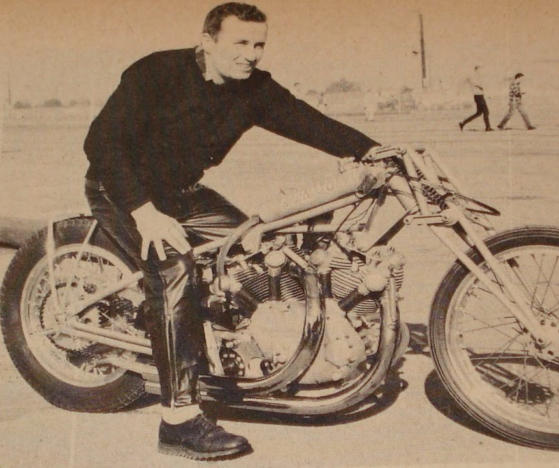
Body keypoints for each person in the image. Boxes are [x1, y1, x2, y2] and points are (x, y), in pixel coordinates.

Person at [83, 2, 380, 461]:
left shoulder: (253, 88)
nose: (251, 54)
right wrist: (144, 212)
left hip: (183, 194)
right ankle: (178, 421)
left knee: (259, 247)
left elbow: (307, 121)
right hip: (124, 191)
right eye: (240, 42)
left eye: (259, 44)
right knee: (174, 270)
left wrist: (374, 151)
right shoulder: (157, 72)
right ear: (208, 40)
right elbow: (101, 142)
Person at [459, 65, 493, 132]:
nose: (481, 71)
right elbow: (472, 82)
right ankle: (488, 127)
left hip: (479, 96)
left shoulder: (477, 77)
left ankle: (463, 123)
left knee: (479, 113)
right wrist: (480, 86)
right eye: (480, 69)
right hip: (478, 96)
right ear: (477, 70)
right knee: (486, 112)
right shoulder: (474, 77)